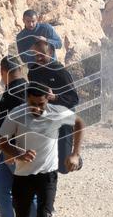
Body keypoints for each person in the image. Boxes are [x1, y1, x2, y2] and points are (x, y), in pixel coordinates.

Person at [0, 81, 85, 217]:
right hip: (22, 175)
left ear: (48, 99)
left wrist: (75, 154)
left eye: (41, 104)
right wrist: (18, 153)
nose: (36, 108)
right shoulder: (17, 114)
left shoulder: (57, 112)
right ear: (26, 100)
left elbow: (80, 123)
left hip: (47, 175)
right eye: (32, 104)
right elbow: (2, 141)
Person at [0, 55, 37, 217]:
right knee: (0, 186)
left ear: (3, 72)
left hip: (16, 150)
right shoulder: (18, 89)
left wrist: (13, 151)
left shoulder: (16, 92)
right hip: (8, 150)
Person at [29, 37, 81, 174]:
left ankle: (77, 160)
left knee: (64, 168)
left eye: (42, 55)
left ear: (51, 53)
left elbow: (74, 98)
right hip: (44, 118)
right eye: (36, 55)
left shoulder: (60, 72)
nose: (38, 58)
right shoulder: (32, 72)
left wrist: (56, 97)